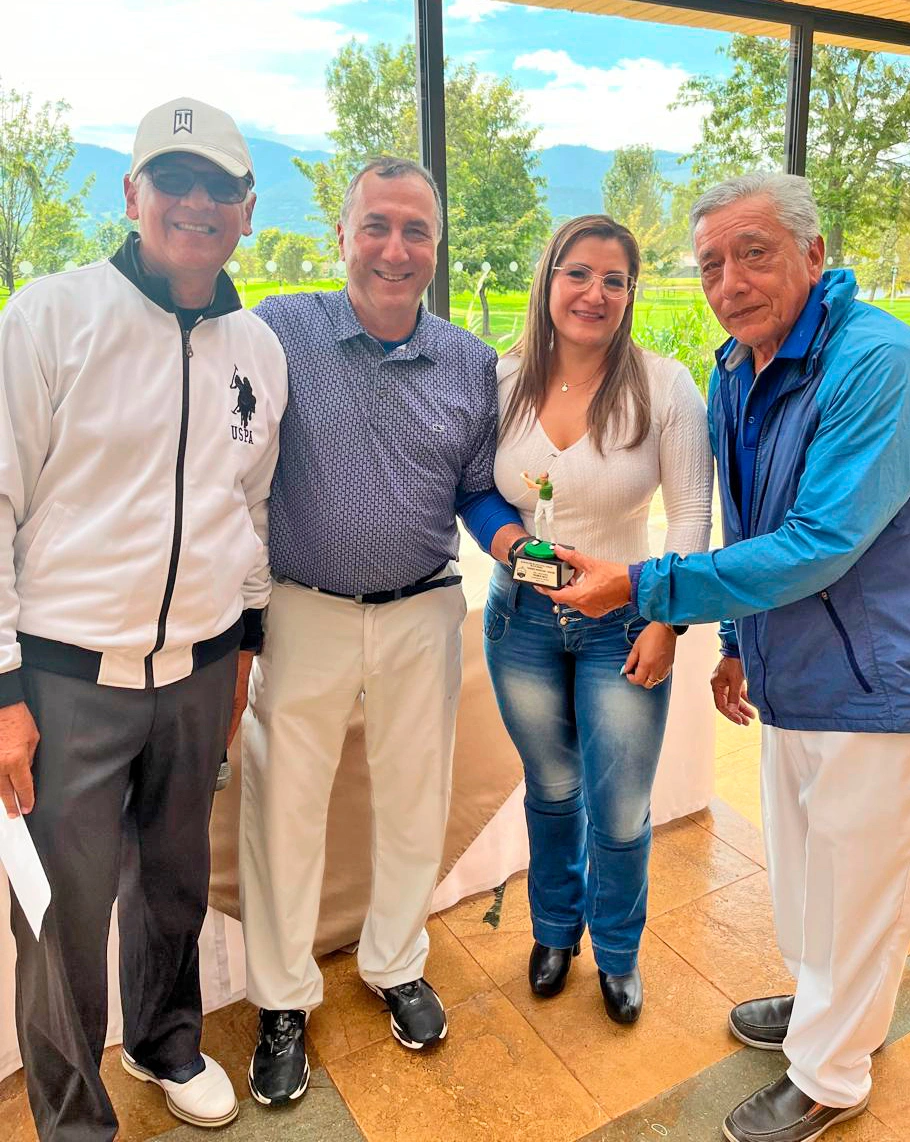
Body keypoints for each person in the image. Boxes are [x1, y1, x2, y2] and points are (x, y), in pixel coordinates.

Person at [542, 174, 910, 1142]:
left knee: (859, 887)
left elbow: (819, 541)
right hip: (789, 670)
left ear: (814, 254)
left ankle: (832, 1073)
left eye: (754, 253)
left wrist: (642, 587)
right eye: (711, 265)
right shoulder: (740, 366)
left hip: (873, 679)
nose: (730, 282)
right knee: (809, 875)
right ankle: (824, 1006)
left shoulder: (878, 362)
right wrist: (734, 640)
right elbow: (750, 518)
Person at [0, 97, 287, 1140]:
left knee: (173, 884)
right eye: (175, 179)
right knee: (62, 918)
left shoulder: (258, 348)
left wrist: (243, 643)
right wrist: (4, 689)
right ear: (134, 194)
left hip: (200, 670)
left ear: (247, 209)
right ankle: (75, 1118)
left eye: (221, 187)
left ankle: (165, 1041)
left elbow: (250, 508)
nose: (196, 202)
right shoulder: (49, 316)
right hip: (65, 678)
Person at [239, 156, 527, 1105]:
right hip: (303, 609)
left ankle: (395, 962)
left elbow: (477, 489)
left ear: (436, 248)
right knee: (284, 805)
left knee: (415, 798)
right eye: (377, 226)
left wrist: (514, 544)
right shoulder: (281, 330)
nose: (395, 249)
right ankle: (283, 998)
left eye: (415, 231)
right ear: (342, 236)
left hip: (423, 608)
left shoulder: (469, 362)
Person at [485, 215, 712, 1023]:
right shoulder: (503, 380)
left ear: (631, 294)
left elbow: (692, 514)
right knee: (551, 791)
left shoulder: (665, 386)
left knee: (618, 808)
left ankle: (617, 951)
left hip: (624, 626)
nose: (596, 293)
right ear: (549, 279)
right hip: (521, 623)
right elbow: (476, 492)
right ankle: (554, 931)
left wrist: (666, 622)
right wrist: (513, 548)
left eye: (615, 280)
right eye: (578, 273)